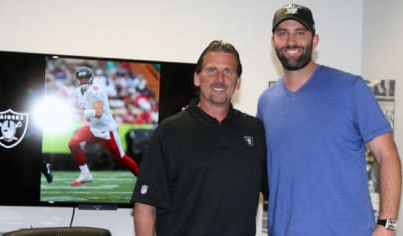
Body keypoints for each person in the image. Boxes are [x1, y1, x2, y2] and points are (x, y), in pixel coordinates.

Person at [257, 3, 402, 236]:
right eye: (283, 33)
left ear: (314, 41)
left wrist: (387, 225)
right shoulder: (266, 102)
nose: (291, 41)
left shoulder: (351, 88)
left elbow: (388, 155)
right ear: (273, 41)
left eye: (300, 33)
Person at [131, 40, 268, 236]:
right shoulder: (169, 131)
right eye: (212, 70)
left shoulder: (255, 131)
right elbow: (145, 206)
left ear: (238, 82)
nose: (220, 79)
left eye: (228, 72)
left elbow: (280, 189)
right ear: (197, 78)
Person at [68, 66, 139, 186]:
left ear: (91, 78)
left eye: (86, 78)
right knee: (73, 143)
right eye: (81, 78)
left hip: (106, 130)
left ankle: (142, 178)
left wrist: (79, 113)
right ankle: (85, 174)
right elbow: (80, 107)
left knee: (120, 157)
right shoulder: (77, 92)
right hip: (92, 127)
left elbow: (98, 113)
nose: (84, 80)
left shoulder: (96, 90)